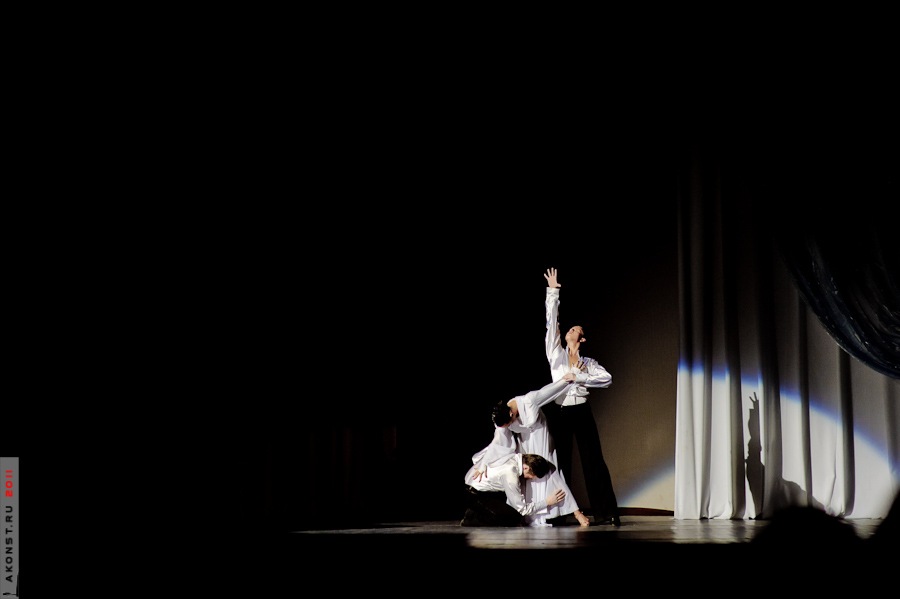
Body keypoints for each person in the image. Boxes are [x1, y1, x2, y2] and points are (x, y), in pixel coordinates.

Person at [542, 267, 621, 527]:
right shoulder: (556, 355)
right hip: (561, 411)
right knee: (560, 462)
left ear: (582, 338)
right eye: (570, 328)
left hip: (582, 411)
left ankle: (606, 512)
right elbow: (551, 323)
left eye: (575, 329)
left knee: (593, 460)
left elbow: (607, 379)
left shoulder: (589, 363)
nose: (571, 330)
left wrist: (580, 376)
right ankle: (560, 513)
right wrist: (553, 292)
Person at [473, 378, 591, 527]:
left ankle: (576, 512)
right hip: (524, 444)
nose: (508, 426)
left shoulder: (529, 400)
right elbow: (497, 442)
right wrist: (483, 464)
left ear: (511, 414)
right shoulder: (501, 417)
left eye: (509, 423)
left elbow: (550, 391)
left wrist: (567, 379)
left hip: (541, 439)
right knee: (525, 477)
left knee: (550, 472)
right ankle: (527, 515)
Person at [460, 453, 566, 527]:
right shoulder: (511, 473)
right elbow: (523, 509)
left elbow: (479, 456)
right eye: (531, 476)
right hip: (473, 494)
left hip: (471, 486)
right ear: (526, 468)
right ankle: (472, 517)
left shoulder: (511, 455)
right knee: (513, 518)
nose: (529, 479)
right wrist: (547, 502)